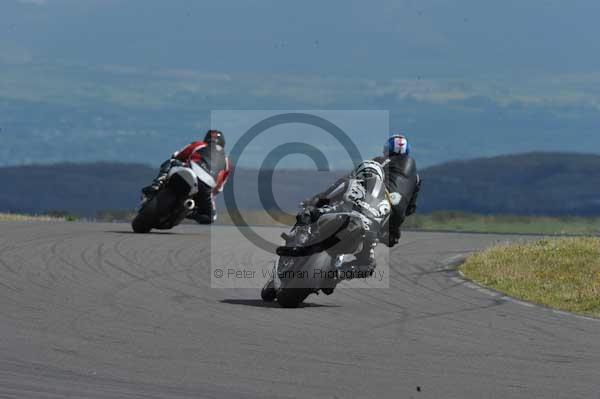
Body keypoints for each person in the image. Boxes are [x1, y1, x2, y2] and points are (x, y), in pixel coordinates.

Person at [278, 159, 391, 275]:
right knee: (368, 265)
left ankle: (297, 242)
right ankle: (338, 275)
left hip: (343, 218)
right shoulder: (387, 204)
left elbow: (324, 198)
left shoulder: (352, 183)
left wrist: (311, 203)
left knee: (308, 213)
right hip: (365, 235)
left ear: (360, 172)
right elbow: (384, 232)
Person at [142, 129, 231, 224]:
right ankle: (189, 211)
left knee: (171, 162)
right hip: (206, 186)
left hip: (190, 171)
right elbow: (219, 188)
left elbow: (177, 156)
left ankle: (157, 184)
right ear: (223, 143)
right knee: (210, 217)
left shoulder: (198, 144)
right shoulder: (227, 162)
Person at [374, 134, 421, 247]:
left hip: (373, 204)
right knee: (392, 237)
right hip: (395, 218)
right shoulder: (416, 177)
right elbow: (411, 208)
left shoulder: (380, 161)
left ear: (388, 148)